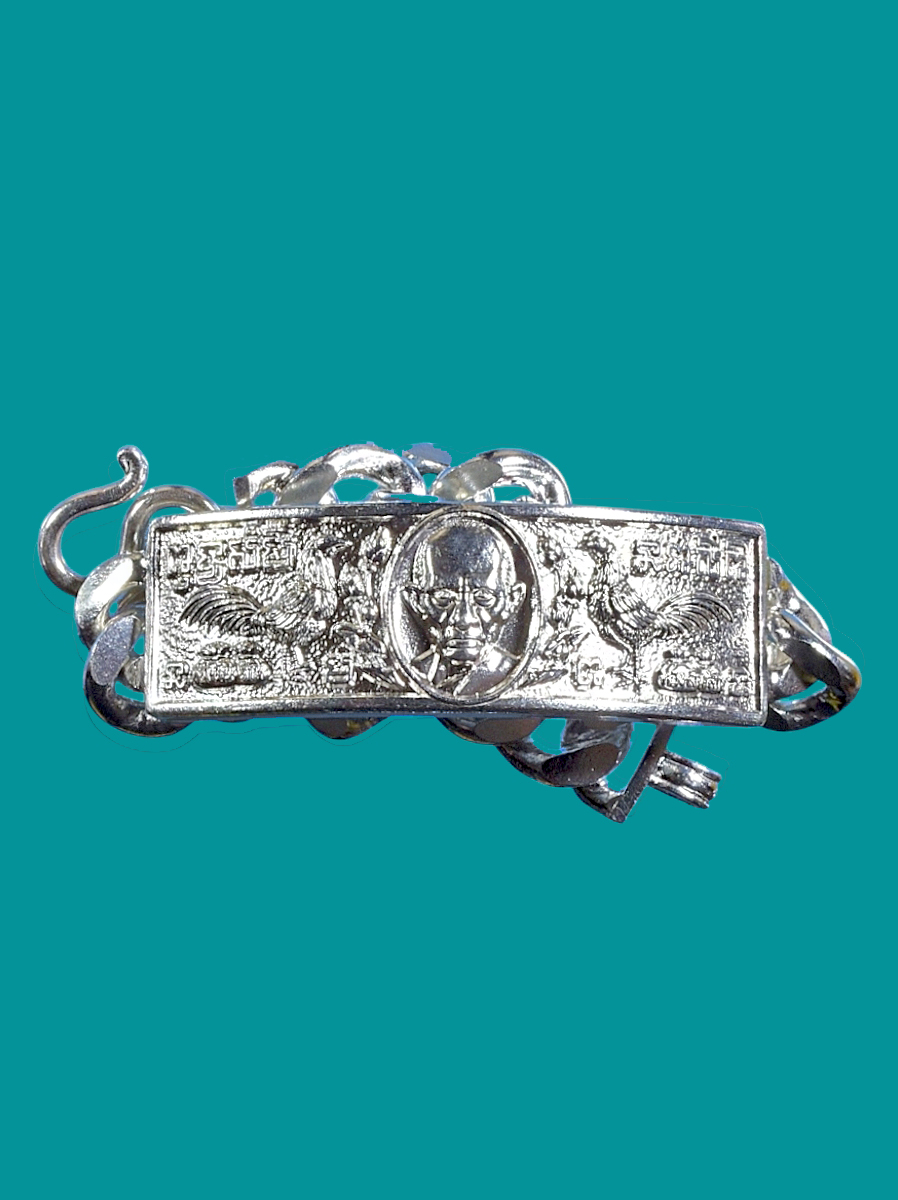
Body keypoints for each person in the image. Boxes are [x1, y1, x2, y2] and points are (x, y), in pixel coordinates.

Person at [403, 518, 526, 696]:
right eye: (443, 598)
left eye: (483, 597)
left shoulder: (511, 671)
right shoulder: (414, 672)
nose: (463, 619)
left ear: (513, 600)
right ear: (416, 600)